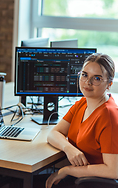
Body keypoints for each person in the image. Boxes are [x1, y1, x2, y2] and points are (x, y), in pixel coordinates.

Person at [45, 53, 118, 188]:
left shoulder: (109, 115)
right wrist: (68, 148)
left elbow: (113, 170)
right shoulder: (82, 103)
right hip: (78, 177)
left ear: (109, 84)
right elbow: (53, 133)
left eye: (97, 78)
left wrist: (67, 170)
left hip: (91, 182)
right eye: (84, 75)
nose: (87, 82)